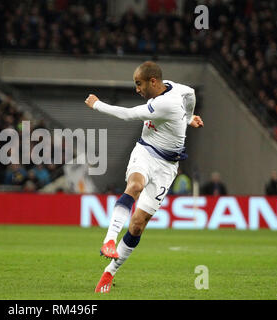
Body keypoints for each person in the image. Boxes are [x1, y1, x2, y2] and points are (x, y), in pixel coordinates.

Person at [84, 61, 204, 293]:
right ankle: (109, 240)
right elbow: (191, 94)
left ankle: (110, 271)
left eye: (139, 84)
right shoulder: (172, 87)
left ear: (153, 82)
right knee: (135, 185)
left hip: (167, 166)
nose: (137, 89)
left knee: (138, 225)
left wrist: (97, 104)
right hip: (146, 151)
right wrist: (188, 117)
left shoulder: (166, 102)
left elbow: (129, 115)